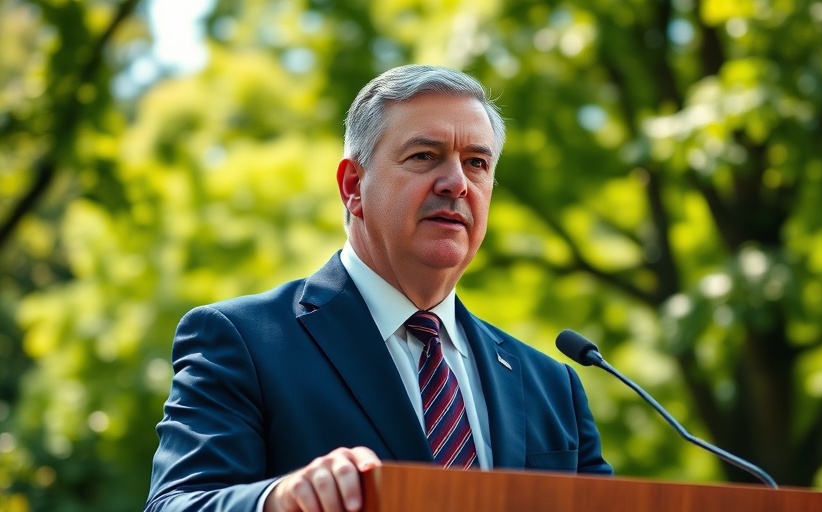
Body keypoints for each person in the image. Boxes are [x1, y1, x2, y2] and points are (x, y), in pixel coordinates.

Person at [145, 64, 612, 512]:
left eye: (476, 163)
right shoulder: (242, 340)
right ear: (353, 186)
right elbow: (177, 504)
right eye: (424, 156)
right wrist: (281, 500)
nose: (456, 184)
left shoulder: (552, 386)